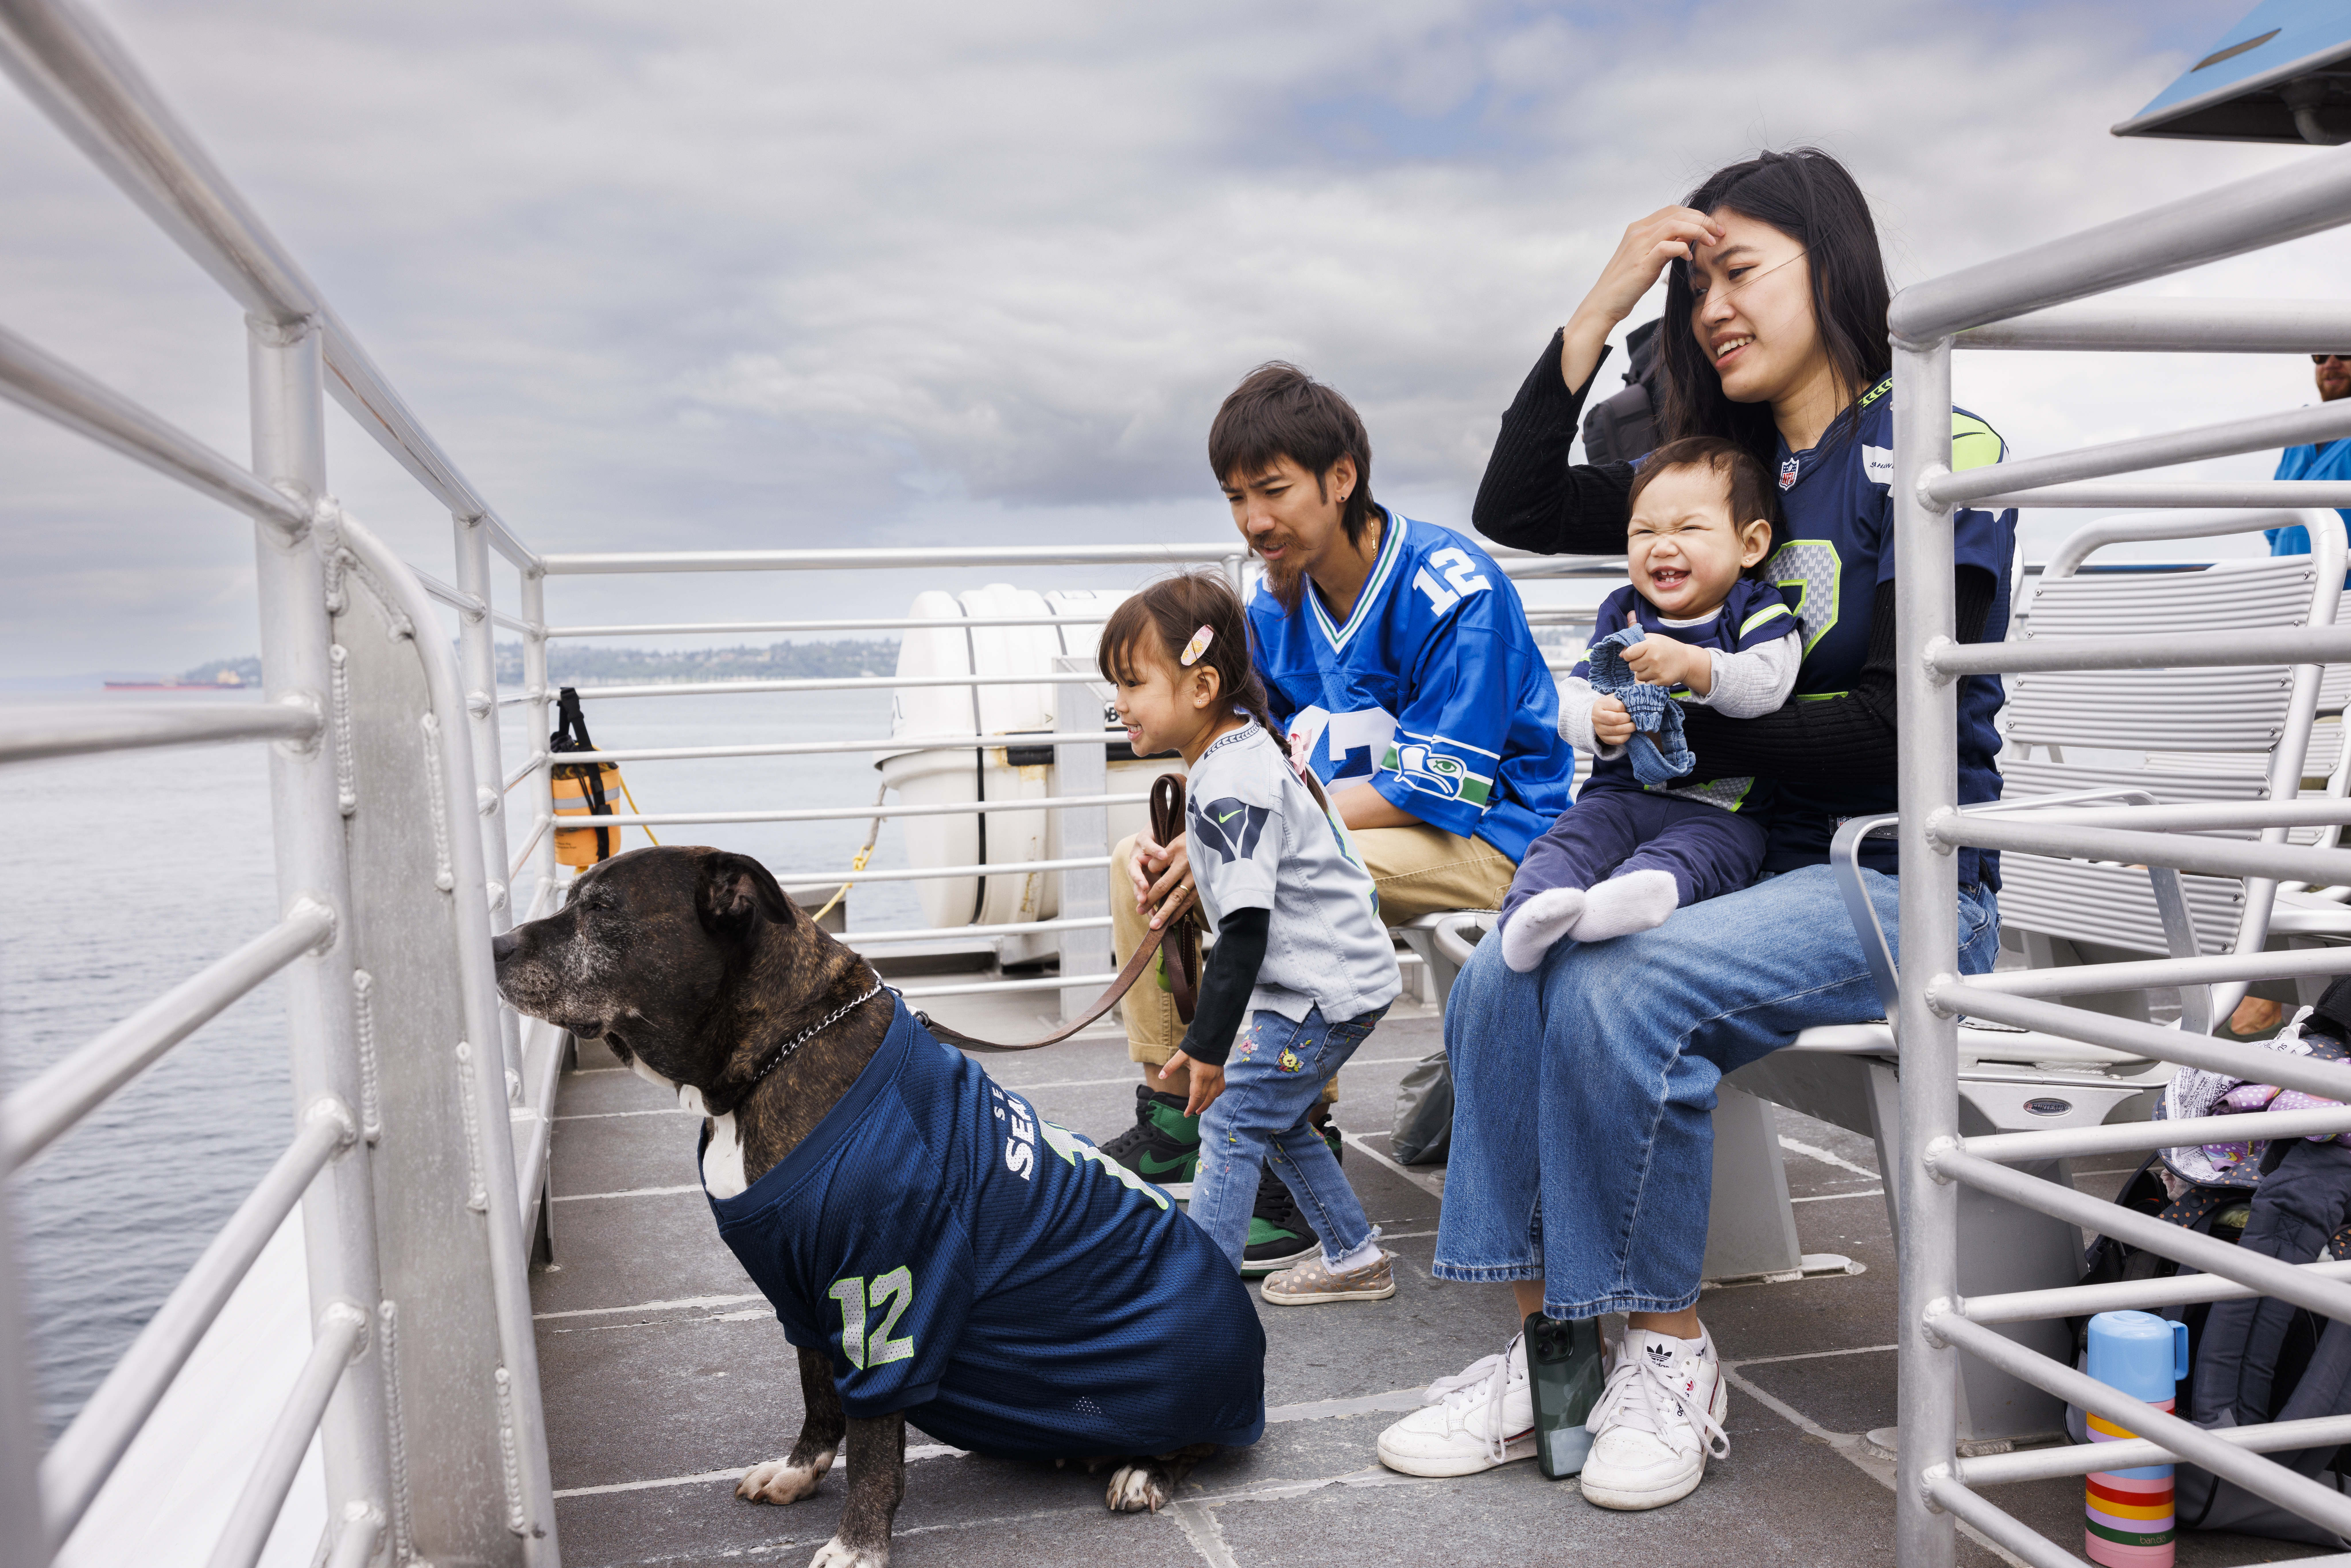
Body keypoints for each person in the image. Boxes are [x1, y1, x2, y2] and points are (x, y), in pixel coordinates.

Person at [1373, 148, 2015, 1511]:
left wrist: (1670, 714)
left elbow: (1902, 730)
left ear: (1831, 266)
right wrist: (1608, 292)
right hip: (1747, 862)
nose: (1712, 305)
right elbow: (1517, 505)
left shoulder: (1935, 448)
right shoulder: (1714, 476)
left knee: (1623, 978)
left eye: (1742, 270)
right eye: (1696, 280)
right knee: (1503, 969)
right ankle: (1552, 1353)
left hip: (1898, 873)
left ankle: (1667, 1355)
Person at [1095, 362, 1578, 1273]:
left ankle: (1282, 1154)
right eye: (1236, 497)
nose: (1253, 520)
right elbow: (1240, 751)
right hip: (1346, 828)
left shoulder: (1452, 588)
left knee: (1255, 885)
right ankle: (1173, 1118)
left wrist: (1244, 850)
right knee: (1150, 862)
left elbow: (1429, 790)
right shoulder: (1271, 605)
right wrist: (1190, 844)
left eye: (1272, 491)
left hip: (1488, 839)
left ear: (1342, 478)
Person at [1097, 571, 1404, 1305]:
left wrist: (1206, 1046)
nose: (1119, 704)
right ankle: (1354, 1256)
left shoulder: (1229, 779)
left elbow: (1243, 928)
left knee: (1231, 1115)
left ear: (1201, 686)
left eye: (1133, 683)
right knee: (1275, 1112)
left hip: (1321, 991)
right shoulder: (1232, 753)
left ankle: (1197, 1302)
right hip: (1329, 980)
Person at [1497, 437, 1800, 969]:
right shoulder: (1622, 611)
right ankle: (1529, 916)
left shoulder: (1757, 610)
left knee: (1701, 858)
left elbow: (1769, 684)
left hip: (1723, 809)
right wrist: (1592, 717)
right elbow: (1572, 692)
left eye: (1688, 529)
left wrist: (1691, 665)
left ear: (1750, 545)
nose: (1662, 546)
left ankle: (1628, 900)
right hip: (1617, 797)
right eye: (1644, 532)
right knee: (1564, 843)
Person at [2229, 349, 2351, 1043]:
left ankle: (2281, 993)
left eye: (2344, 354)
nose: (2330, 365)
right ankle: (2268, 986)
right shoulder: (2302, 435)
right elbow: (2279, 530)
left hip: (2342, 634)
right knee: (2279, 803)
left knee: (2322, 818)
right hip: (2297, 628)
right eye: (2320, 355)